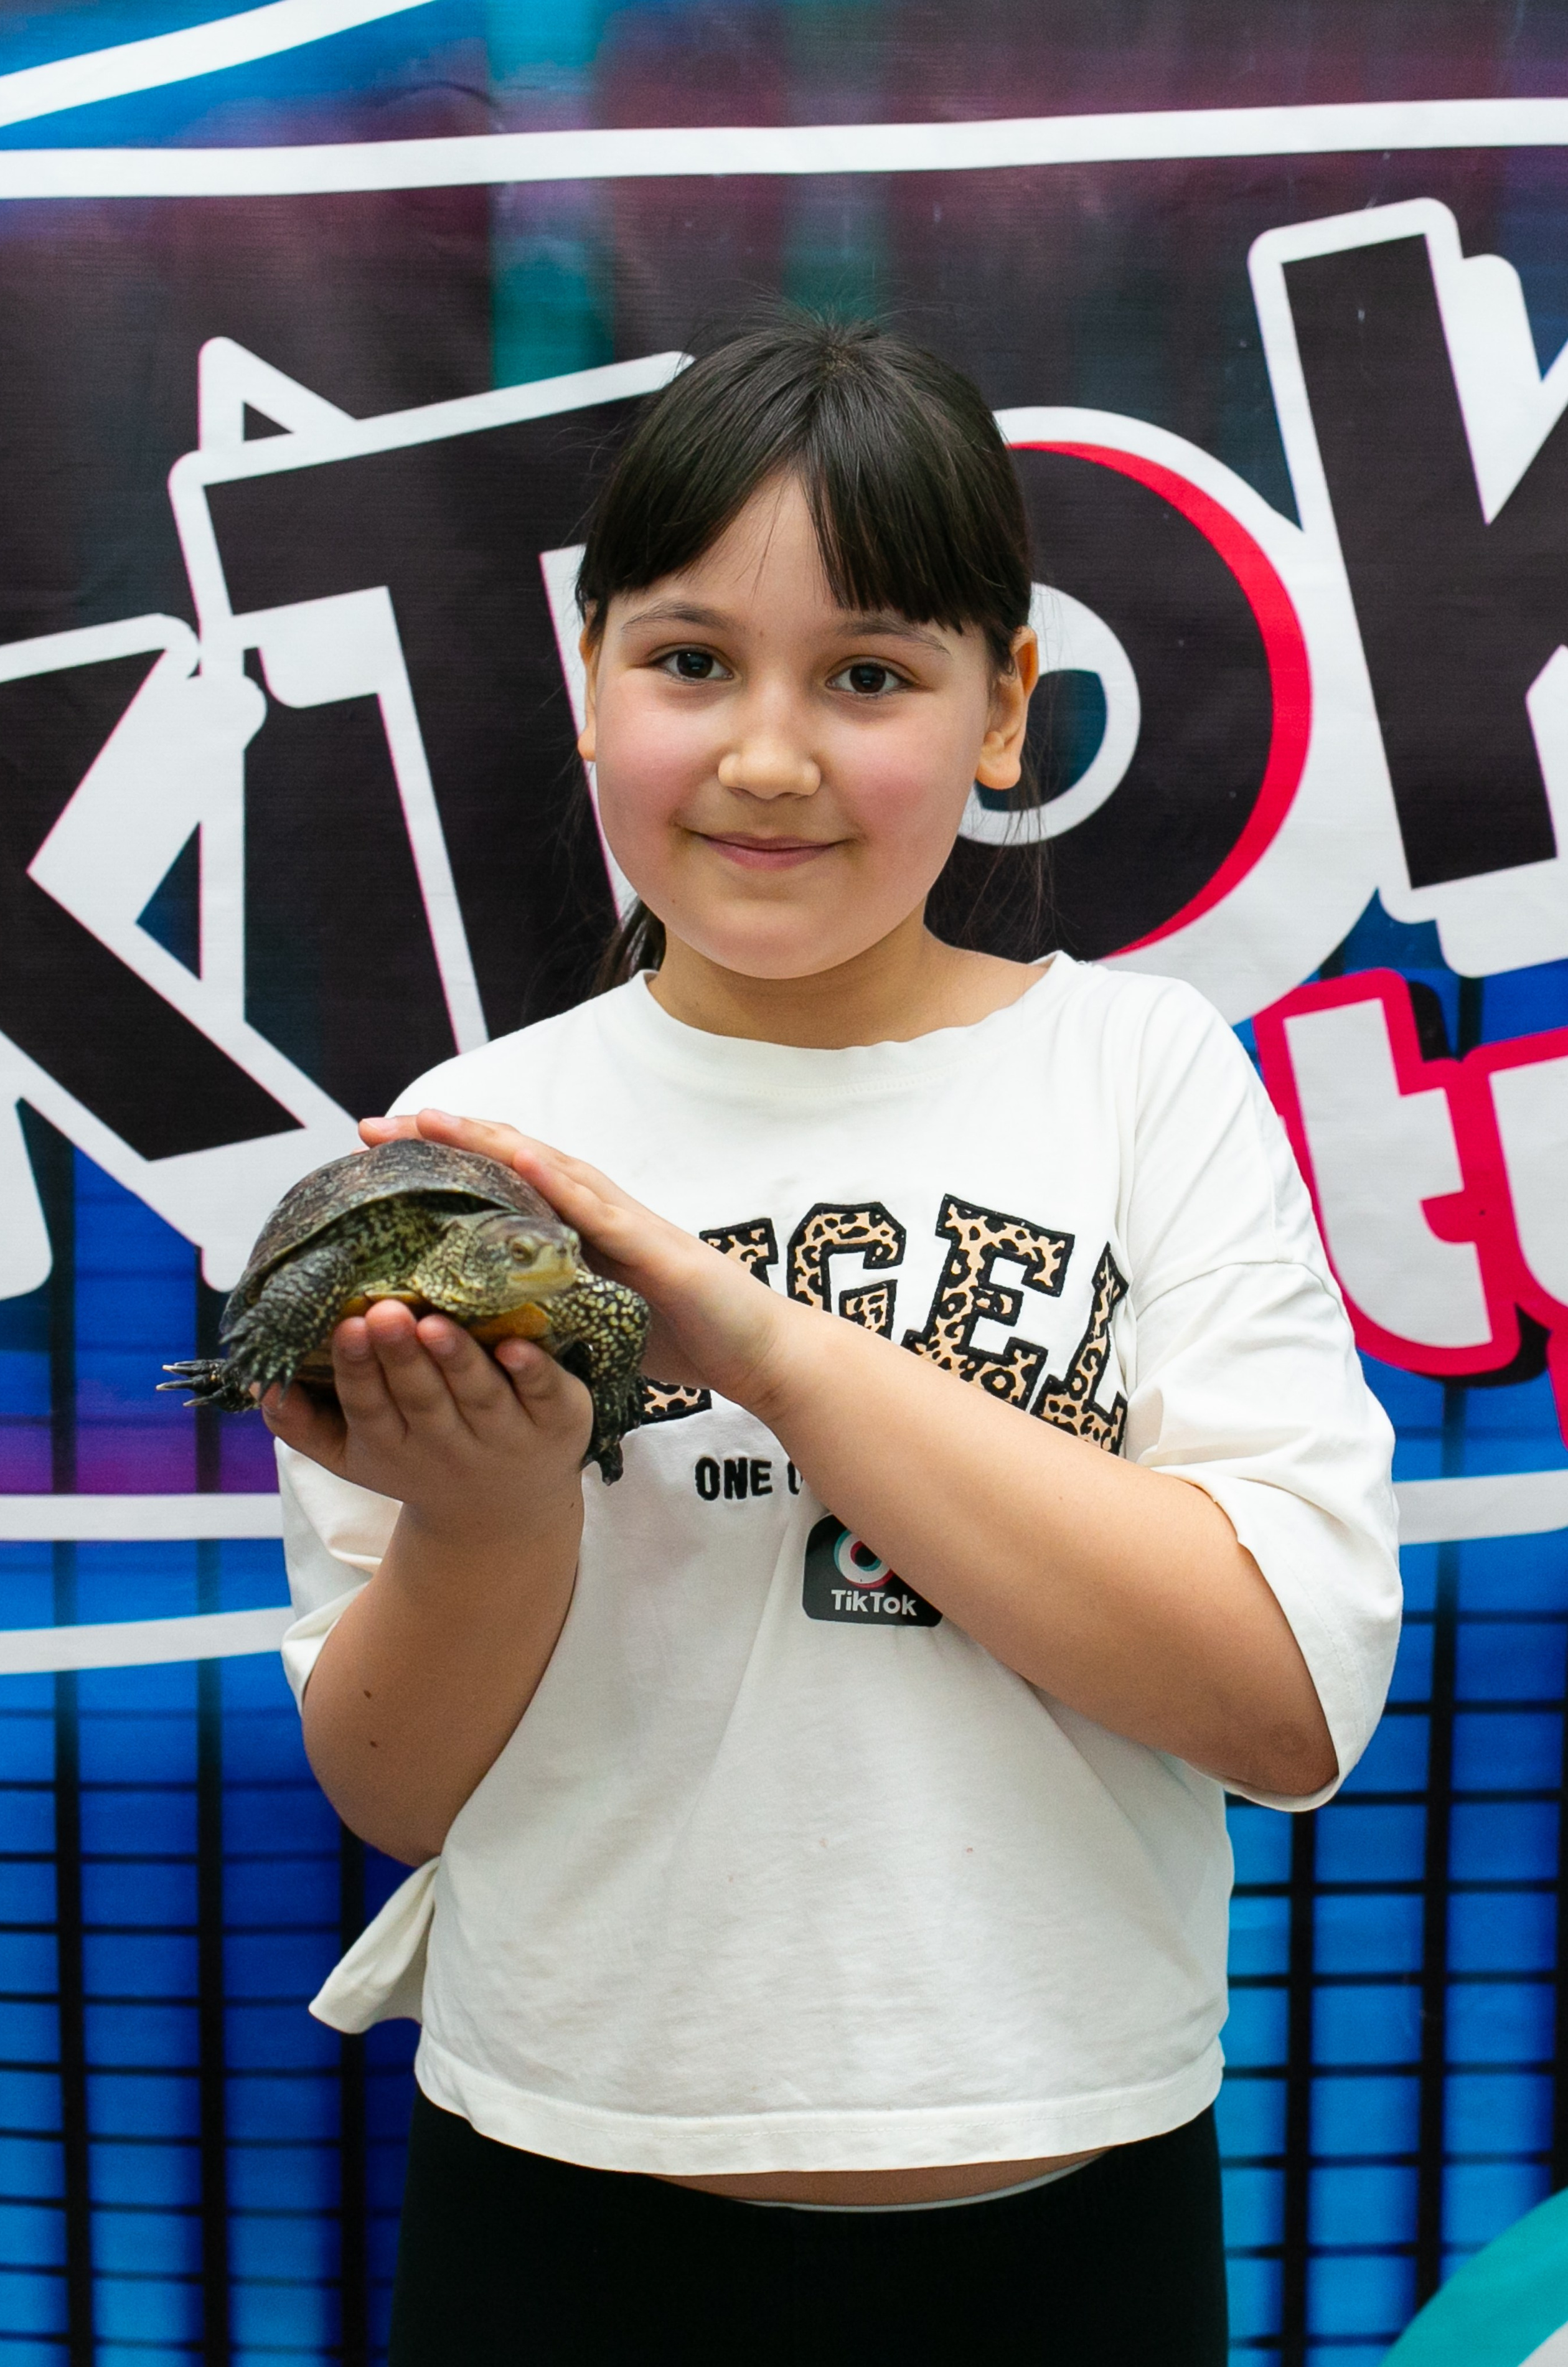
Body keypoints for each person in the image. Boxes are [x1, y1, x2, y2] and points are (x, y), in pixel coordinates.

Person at [268, 316, 1399, 2364]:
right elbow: (391, 1788)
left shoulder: (1142, 1077)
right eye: (691, 661)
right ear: (587, 683)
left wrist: (764, 1344)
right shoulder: (468, 1148)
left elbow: (1283, 1707)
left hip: (1074, 2192)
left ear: (1003, 712)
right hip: (559, 2195)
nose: (770, 754)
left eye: (868, 675)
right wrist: (496, 1514)